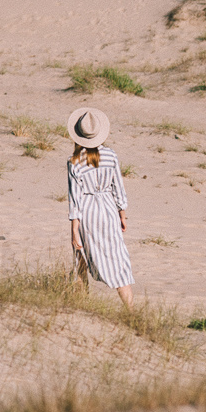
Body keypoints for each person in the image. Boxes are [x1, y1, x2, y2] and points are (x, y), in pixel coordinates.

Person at [65, 105, 135, 308]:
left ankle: (81, 301)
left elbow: (75, 199)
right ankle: (131, 310)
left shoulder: (74, 162)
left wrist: (74, 231)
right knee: (118, 259)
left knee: (80, 257)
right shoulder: (111, 156)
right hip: (109, 211)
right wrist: (122, 214)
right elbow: (118, 188)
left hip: (87, 214)